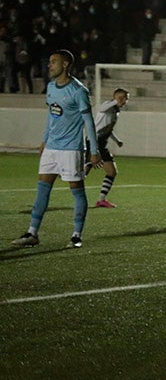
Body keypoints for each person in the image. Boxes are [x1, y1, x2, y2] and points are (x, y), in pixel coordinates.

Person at [11, 50, 102, 248]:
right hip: (52, 147)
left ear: (66, 64)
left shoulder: (78, 91)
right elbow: (51, 115)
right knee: (42, 190)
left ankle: (76, 235)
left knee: (77, 192)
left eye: (54, 62)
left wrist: (93, 151)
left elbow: (89, 122)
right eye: (49, 62)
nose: (49, 65)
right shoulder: (51, 87)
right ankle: (32, 233)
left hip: (71, 149)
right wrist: (44, 139)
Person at [92, 87, 130, 208]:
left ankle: (101, 200)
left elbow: (108, 129)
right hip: (93, 142)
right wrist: (115, 101)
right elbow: (101, 109)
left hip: (102, 144)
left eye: (127, 99)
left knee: (112, 172)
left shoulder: (116, 111)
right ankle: (60, 170)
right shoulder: (108, 105)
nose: (126, 102)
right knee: (82, 173)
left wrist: (117, 140)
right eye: (125, 99)